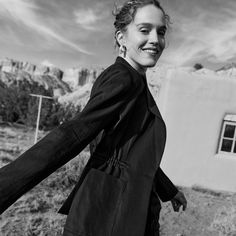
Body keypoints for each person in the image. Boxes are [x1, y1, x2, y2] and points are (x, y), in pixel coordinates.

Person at [0, 0, 187, 235]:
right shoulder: (123, 80)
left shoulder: (132, 79)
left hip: (120, 207)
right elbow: (74, 133)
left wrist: (168, 190)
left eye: (161, 31)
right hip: (109, 212)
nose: (155, 39)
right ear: (121, 37)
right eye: (144, 30)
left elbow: (129, 151)